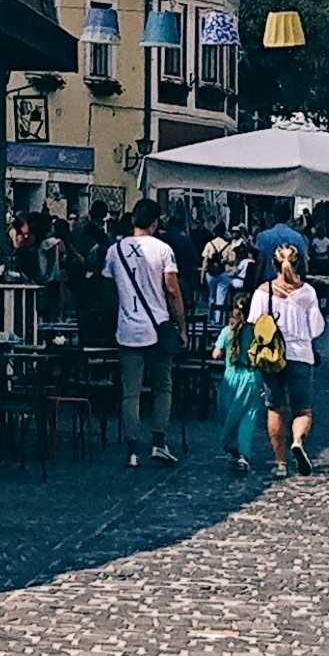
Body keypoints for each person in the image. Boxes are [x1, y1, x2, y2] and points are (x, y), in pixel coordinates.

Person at [103, 197, 183, 469]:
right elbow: (172, 290)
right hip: (158, 326)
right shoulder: (163, 250)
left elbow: (109, 288)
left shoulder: (115, 250)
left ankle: (133, 449)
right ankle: (159, 443)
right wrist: (181, 326)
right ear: (155, 223)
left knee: (131, 391)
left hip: (127, 328)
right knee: (163, 387)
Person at [247, 243, 324, 476]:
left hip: (272, 357)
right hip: (301, 354)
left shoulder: (263, 292)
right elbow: (316, 328)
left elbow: (253, 324)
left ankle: (280, 463)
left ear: (274, 264)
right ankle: (298, 442)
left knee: (275, 408)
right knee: (303, 409)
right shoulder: (308, 292)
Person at [210, 287, 265, 474]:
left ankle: (231, 447)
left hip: (230, 377)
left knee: (229, 415)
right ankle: (243, 453)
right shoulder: (256, 331)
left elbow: (216, 354)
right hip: (251, 376)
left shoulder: (227, 331)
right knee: (247, 416)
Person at [252, 207, 309, 283]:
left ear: (273, 216)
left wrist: (255, 284)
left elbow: (260, 262)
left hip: (268, 284)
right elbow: (304, 265)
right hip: (290, 285)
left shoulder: (263, 236)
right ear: (289, 217)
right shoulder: (297, 237)